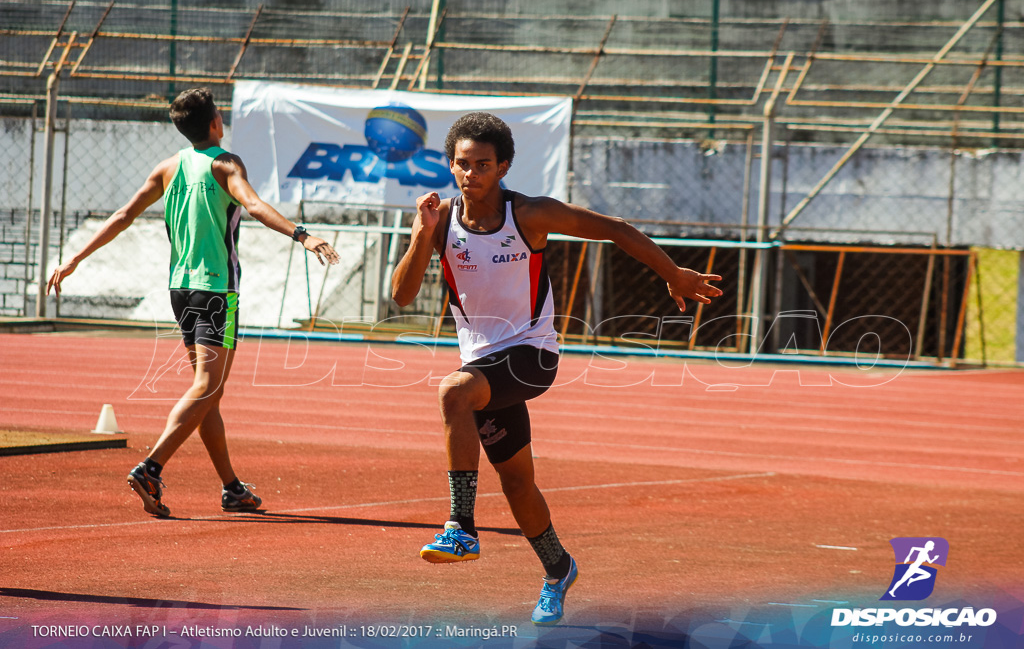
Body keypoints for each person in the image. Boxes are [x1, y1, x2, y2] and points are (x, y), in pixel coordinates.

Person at [391, 112, 723, 625]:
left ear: (503, 166)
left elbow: (615, 229)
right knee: (517, 483)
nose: (470, 174)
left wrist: (674, 274)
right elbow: (402, 296)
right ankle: (558, 569)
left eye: (482, 165)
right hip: (485, 366)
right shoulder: (441, 222)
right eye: (461, 164)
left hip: (532, 356)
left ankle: (460, 526)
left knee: (453, 392)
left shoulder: (530, 214)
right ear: (450, 165)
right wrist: (422, 234)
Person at [47, 87, 339, 518]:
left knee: (209, 394)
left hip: (179, 291)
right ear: (216, 123)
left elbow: (123, 216)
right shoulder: (226, 163)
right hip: (218, 289)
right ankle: (151, 466)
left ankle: (232, 488)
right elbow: (254, 205)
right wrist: (303, 235)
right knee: (208, 386)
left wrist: (74, 258)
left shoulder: (168, 167)